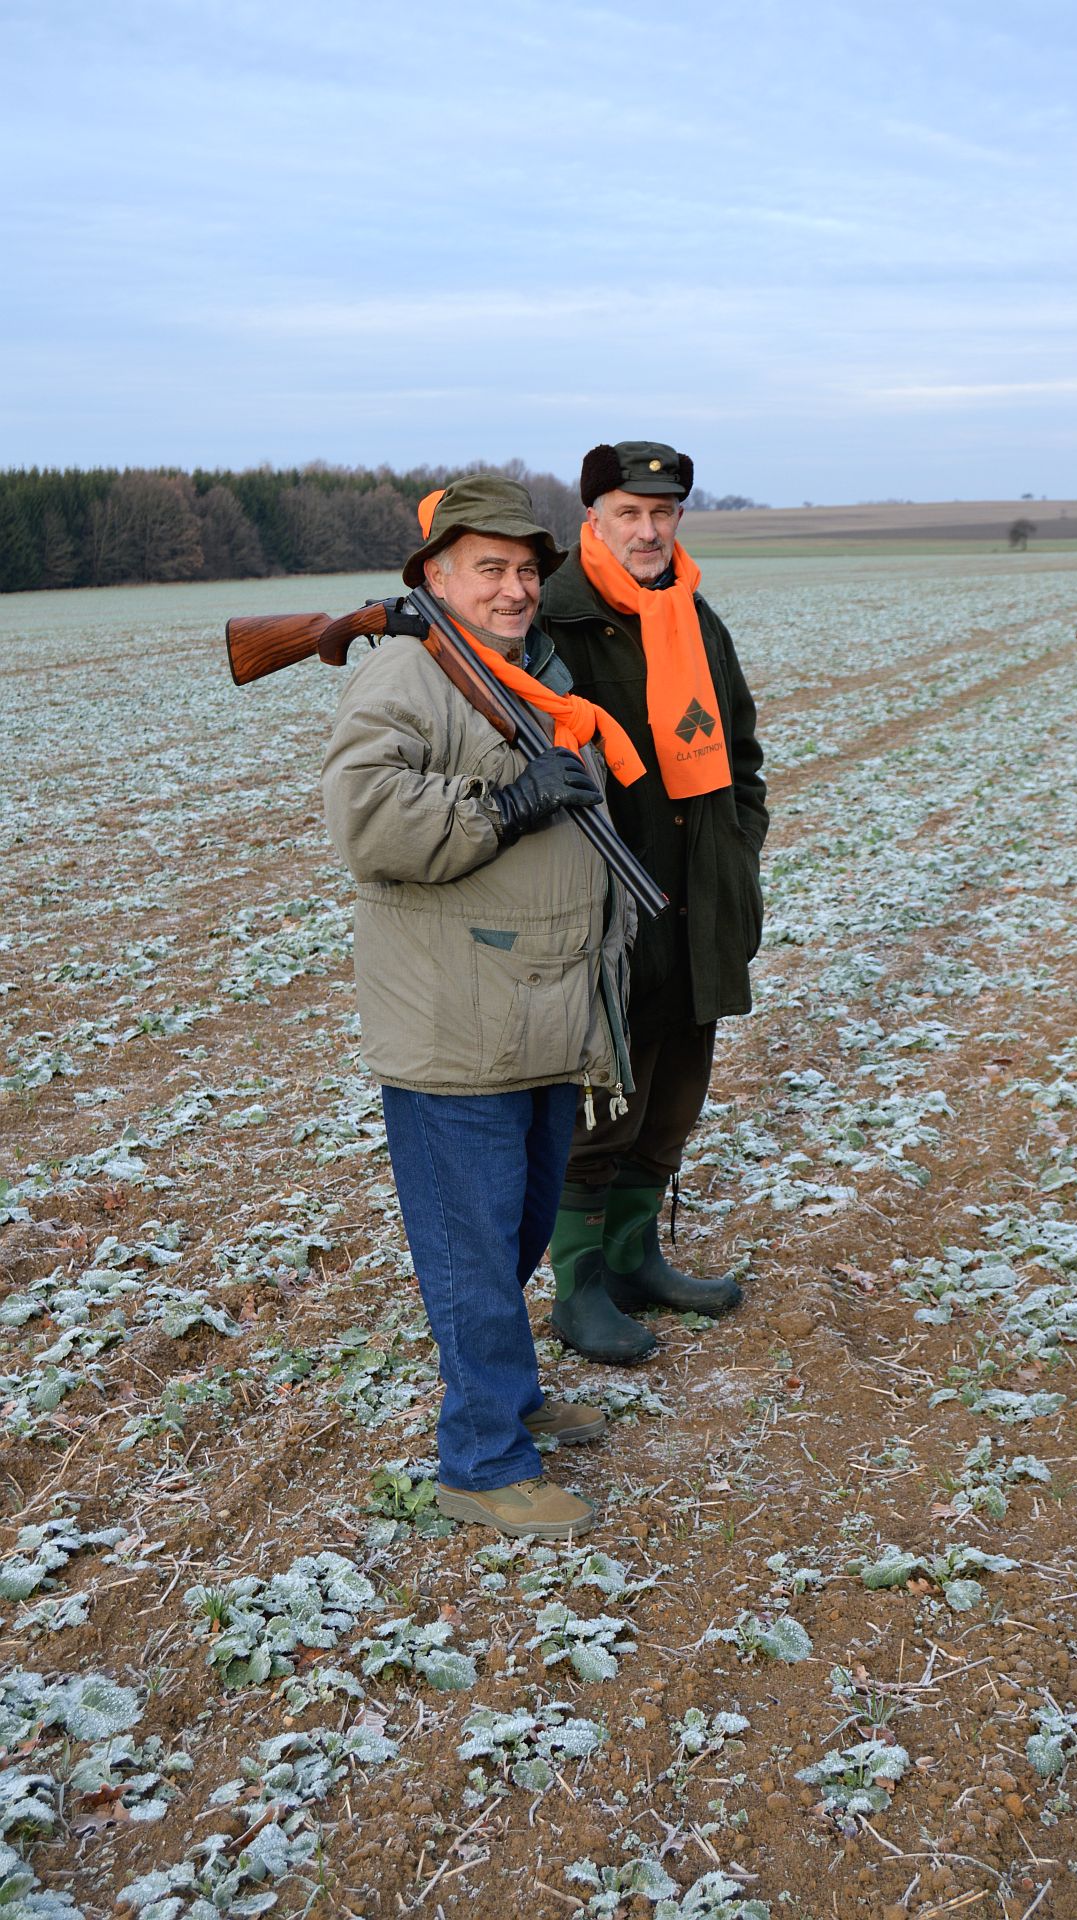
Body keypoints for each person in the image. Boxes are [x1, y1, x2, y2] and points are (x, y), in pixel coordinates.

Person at [322, 474, 643, 1536]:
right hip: (454, 1023)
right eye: (488, 569)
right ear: (434, 576)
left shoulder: (527, 670)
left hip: (534, 1010)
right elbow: (368, 819)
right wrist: (508, 805)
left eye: (525, 571)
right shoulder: (407, 674)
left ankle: (510, 1397)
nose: (513, 589)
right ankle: (481, 1460)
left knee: (516, 1231)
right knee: (471, 1256)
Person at [538, 442, 769, 1363]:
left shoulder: (692, 615)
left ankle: (637, 1262)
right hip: (609, 906)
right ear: (592, 518)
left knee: (673, 1098)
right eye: (627, 513)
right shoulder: (555, 617)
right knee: (603, 1107)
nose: (646, 530)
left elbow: (740, 753)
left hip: (698, 896)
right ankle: (578, 1289)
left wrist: (738, 854)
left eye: (661, 512)